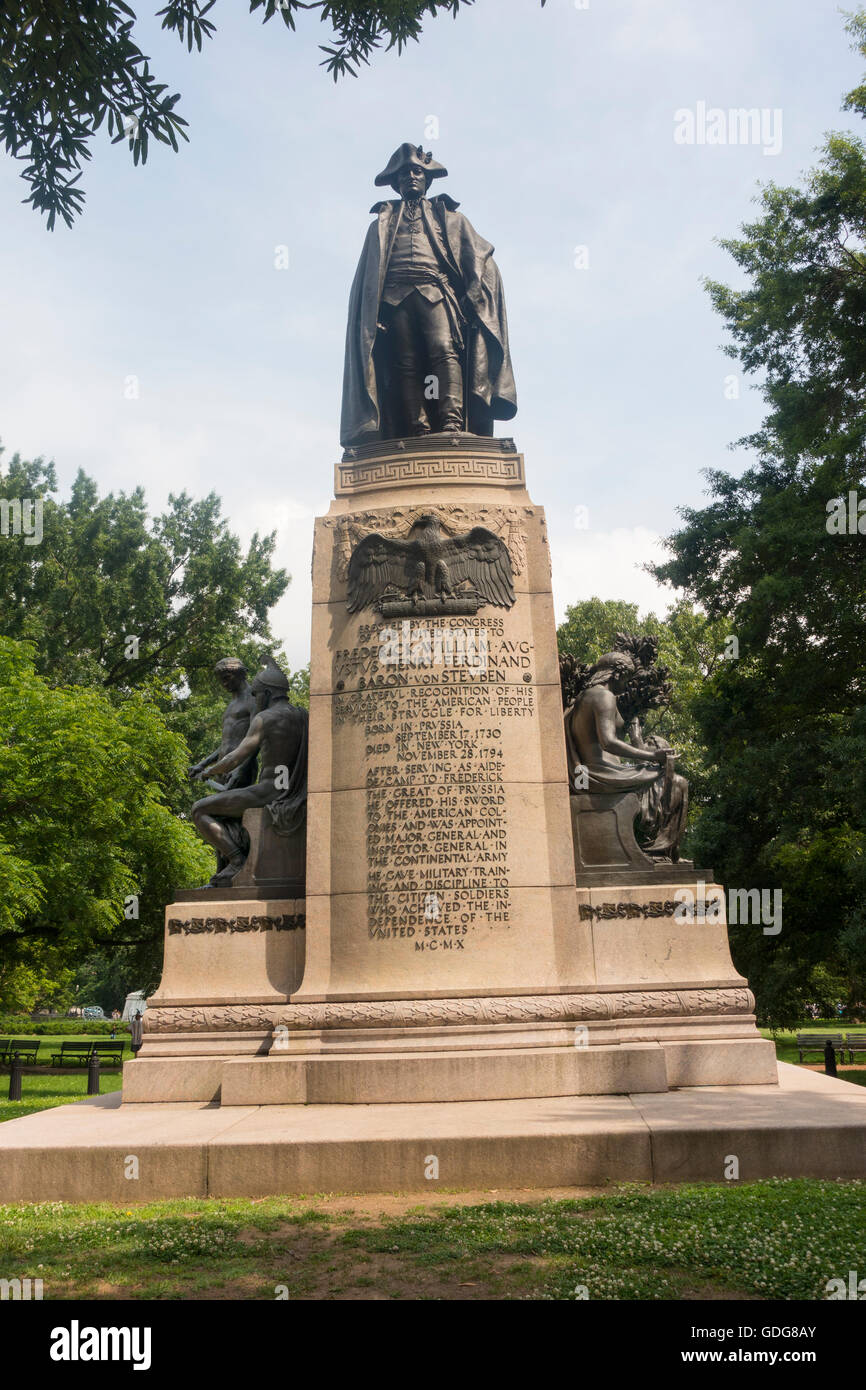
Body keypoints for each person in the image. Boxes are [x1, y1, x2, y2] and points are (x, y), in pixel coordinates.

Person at [341, 142, 517, 445]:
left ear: (426, 179)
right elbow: (368, 285)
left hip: (435, 292)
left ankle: (450, 421)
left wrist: (475, 291)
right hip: (394, 300)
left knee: (444, 352)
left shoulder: (449, 218)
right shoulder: (380, 225)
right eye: (404, 173)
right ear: (395, 183)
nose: (411, 176)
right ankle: (417, 427)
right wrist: (376, 313)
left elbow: (478, 256)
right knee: (405, 363)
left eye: (417, 171)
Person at [190, 657, 308, 886]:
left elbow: (236, 757)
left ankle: (236, 861)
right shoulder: (302, 716)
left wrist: (208, 772)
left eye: (257, 694)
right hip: (290, 790)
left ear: (267, 693)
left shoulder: (264, 718)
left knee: (199, 810)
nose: (255, 698)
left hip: (267, 791)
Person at [565, 650, 689, 862]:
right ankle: (658, 851)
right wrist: (653, 756)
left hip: (598, 772)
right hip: (603, 774)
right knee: (677, 783)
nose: (626, 684)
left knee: (670, 779)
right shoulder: (604, 696)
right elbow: (608, 742)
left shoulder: (581, 699)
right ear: (617, 674)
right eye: (626, 678)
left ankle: (655, 850)